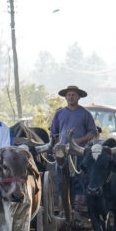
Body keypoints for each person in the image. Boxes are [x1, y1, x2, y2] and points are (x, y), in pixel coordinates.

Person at [49, 85, 97, 213]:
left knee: (80, 179)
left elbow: (93, 133)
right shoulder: (59, 113)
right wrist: (58, 145)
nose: (71, 97)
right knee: (61, 180)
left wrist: (77, 141)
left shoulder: (85, 114)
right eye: (69, 95)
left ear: (78, 97)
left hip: (80, 152)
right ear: (65, 97)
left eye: (73, 95)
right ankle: (62, 208)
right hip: (62, 153)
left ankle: (78, 209)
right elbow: (54, 133)